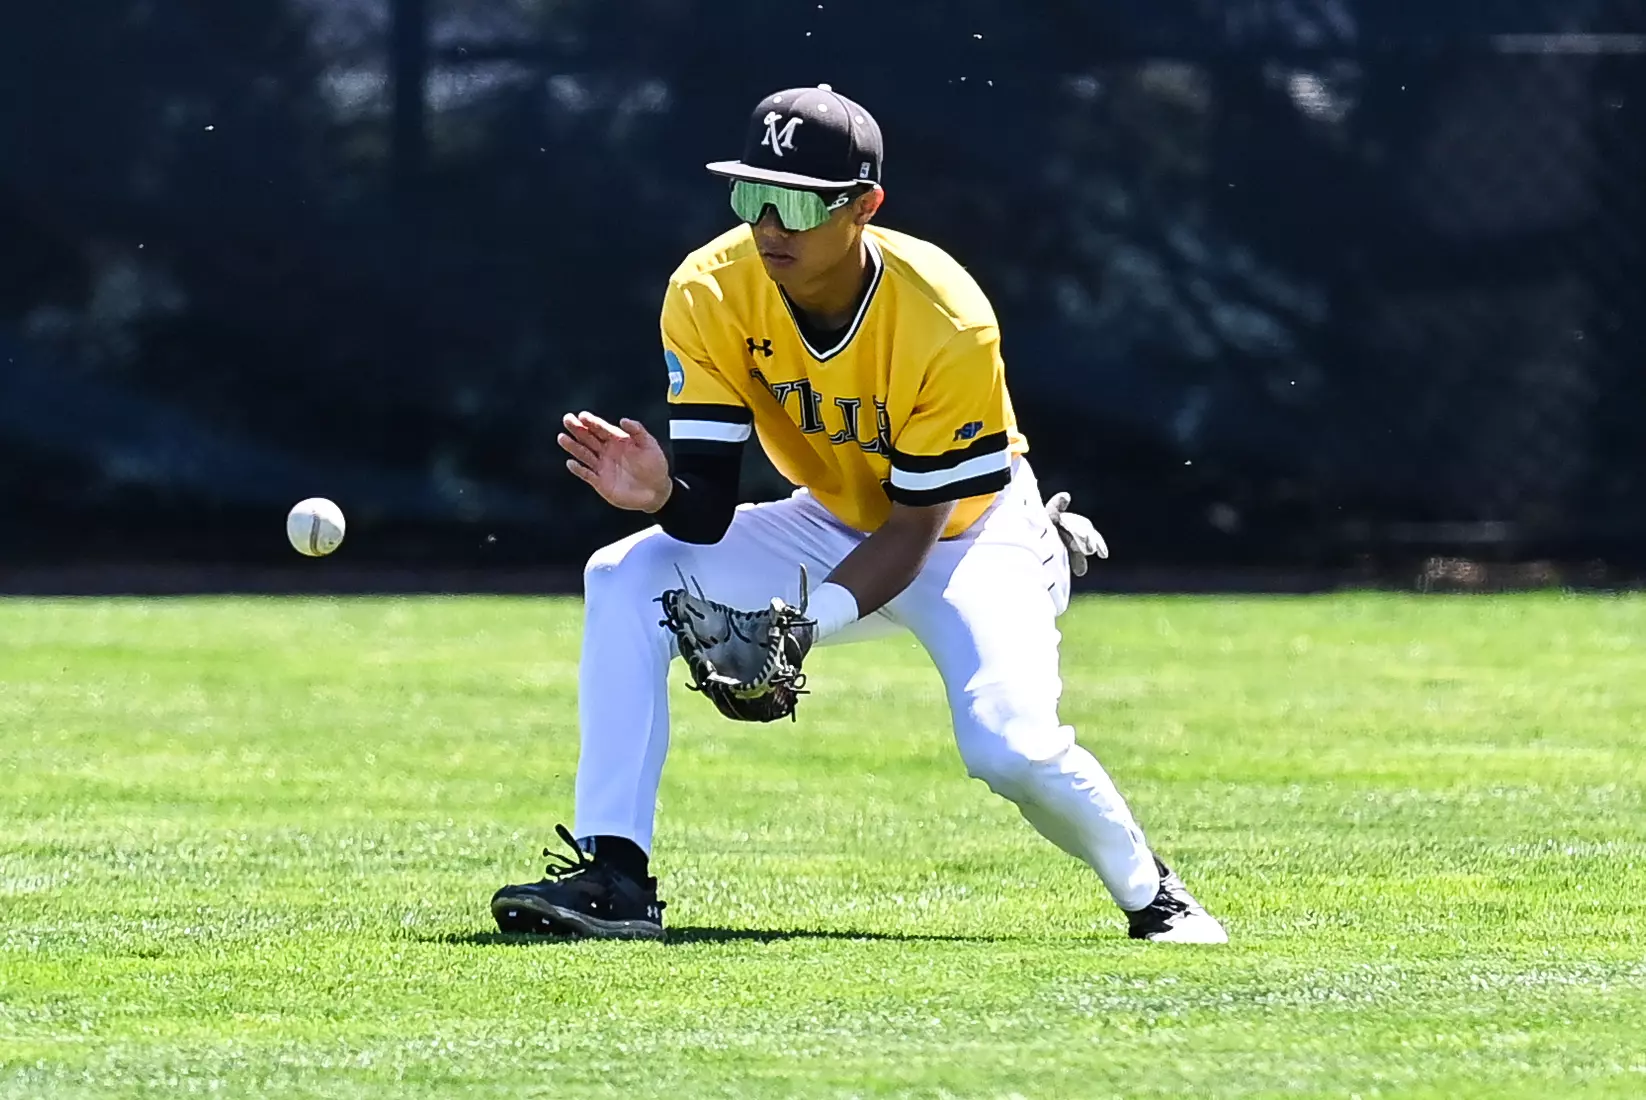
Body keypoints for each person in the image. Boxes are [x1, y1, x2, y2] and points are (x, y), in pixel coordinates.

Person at [490, 85, 1227, 944]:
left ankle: (1156, 897)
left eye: (796, 201)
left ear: (864, 206)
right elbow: (706, 511)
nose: (768, 225)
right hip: (831, 516)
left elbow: (915, 528)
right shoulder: (710, 289)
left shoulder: (945, 316)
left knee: (1009, 750)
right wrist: (660, 498)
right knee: (624, 573)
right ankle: (615, 877)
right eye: (749, 193)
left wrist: (801, 626)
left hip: (966, 532)